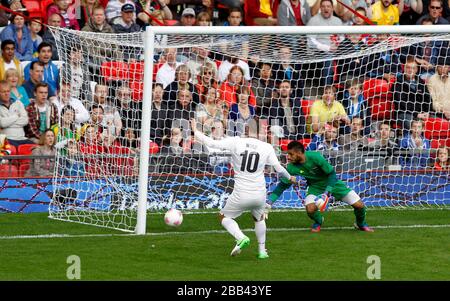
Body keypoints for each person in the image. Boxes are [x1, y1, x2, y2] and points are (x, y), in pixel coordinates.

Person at [191, 118, 294, 259]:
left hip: (241, 193)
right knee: (259, 218)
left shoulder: (235, 141)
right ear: (260, 131)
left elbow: (212, 143)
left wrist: (196, 131)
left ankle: (240, 237)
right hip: (259, 193)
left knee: (223, 217)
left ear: (246, 129)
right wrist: (290, 177)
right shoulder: (267, 146)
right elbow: (278, 169)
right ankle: (262, 251)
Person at [268, 140, 374, 233]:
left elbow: (332, 174)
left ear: (299, 153)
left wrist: (327, 193)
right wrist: (269, 202)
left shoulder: (315, 157)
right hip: (315, 187)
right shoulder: (291, 168)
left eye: (291, 154)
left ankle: (361, 223)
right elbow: (282, 186)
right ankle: (319, 221)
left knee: (359, 206)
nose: (288, 157)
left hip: (333, 184)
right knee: (310, 209)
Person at [393, 56, 432, 130]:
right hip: (404, 114)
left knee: (437, 121)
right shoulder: (398, 83)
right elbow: (402, 102)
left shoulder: (421, 82)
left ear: (416, 70)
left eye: (413, 68)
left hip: (421, 113)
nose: (410, 70)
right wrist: (417, 114)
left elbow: (428, 98)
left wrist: (427, 112)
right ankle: (410, 141)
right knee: (414, 125)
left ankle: (426, 141)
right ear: (404, 69)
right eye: (408, 67)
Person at [0, 80, 34, 147]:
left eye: (8, 91)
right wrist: (16, 116)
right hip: (7, 139)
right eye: (3, 92)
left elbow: (25, 120)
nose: (6, 94)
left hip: (22, 138)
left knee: (36, 150)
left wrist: (8, 123)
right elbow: (2, 123)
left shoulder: (18, 103)